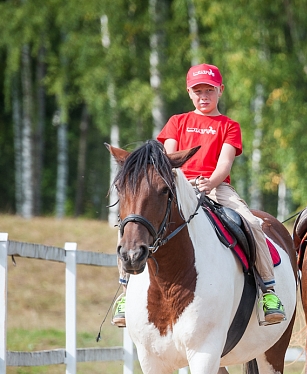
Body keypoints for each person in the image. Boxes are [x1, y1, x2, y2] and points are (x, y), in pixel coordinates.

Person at [112, 63, 286, 326]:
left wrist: (210, 183)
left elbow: (225, 164)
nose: (204, 96)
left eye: (209, 90)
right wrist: (184, 183)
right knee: (132, 224)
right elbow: (166, 160)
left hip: (217, 187)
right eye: (198, 91)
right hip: (179, 185)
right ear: (189, 93)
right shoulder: (177, 122)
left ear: (220, 91)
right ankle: (125, 293)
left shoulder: (229, 125)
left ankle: (268, 292)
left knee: (250, 222)